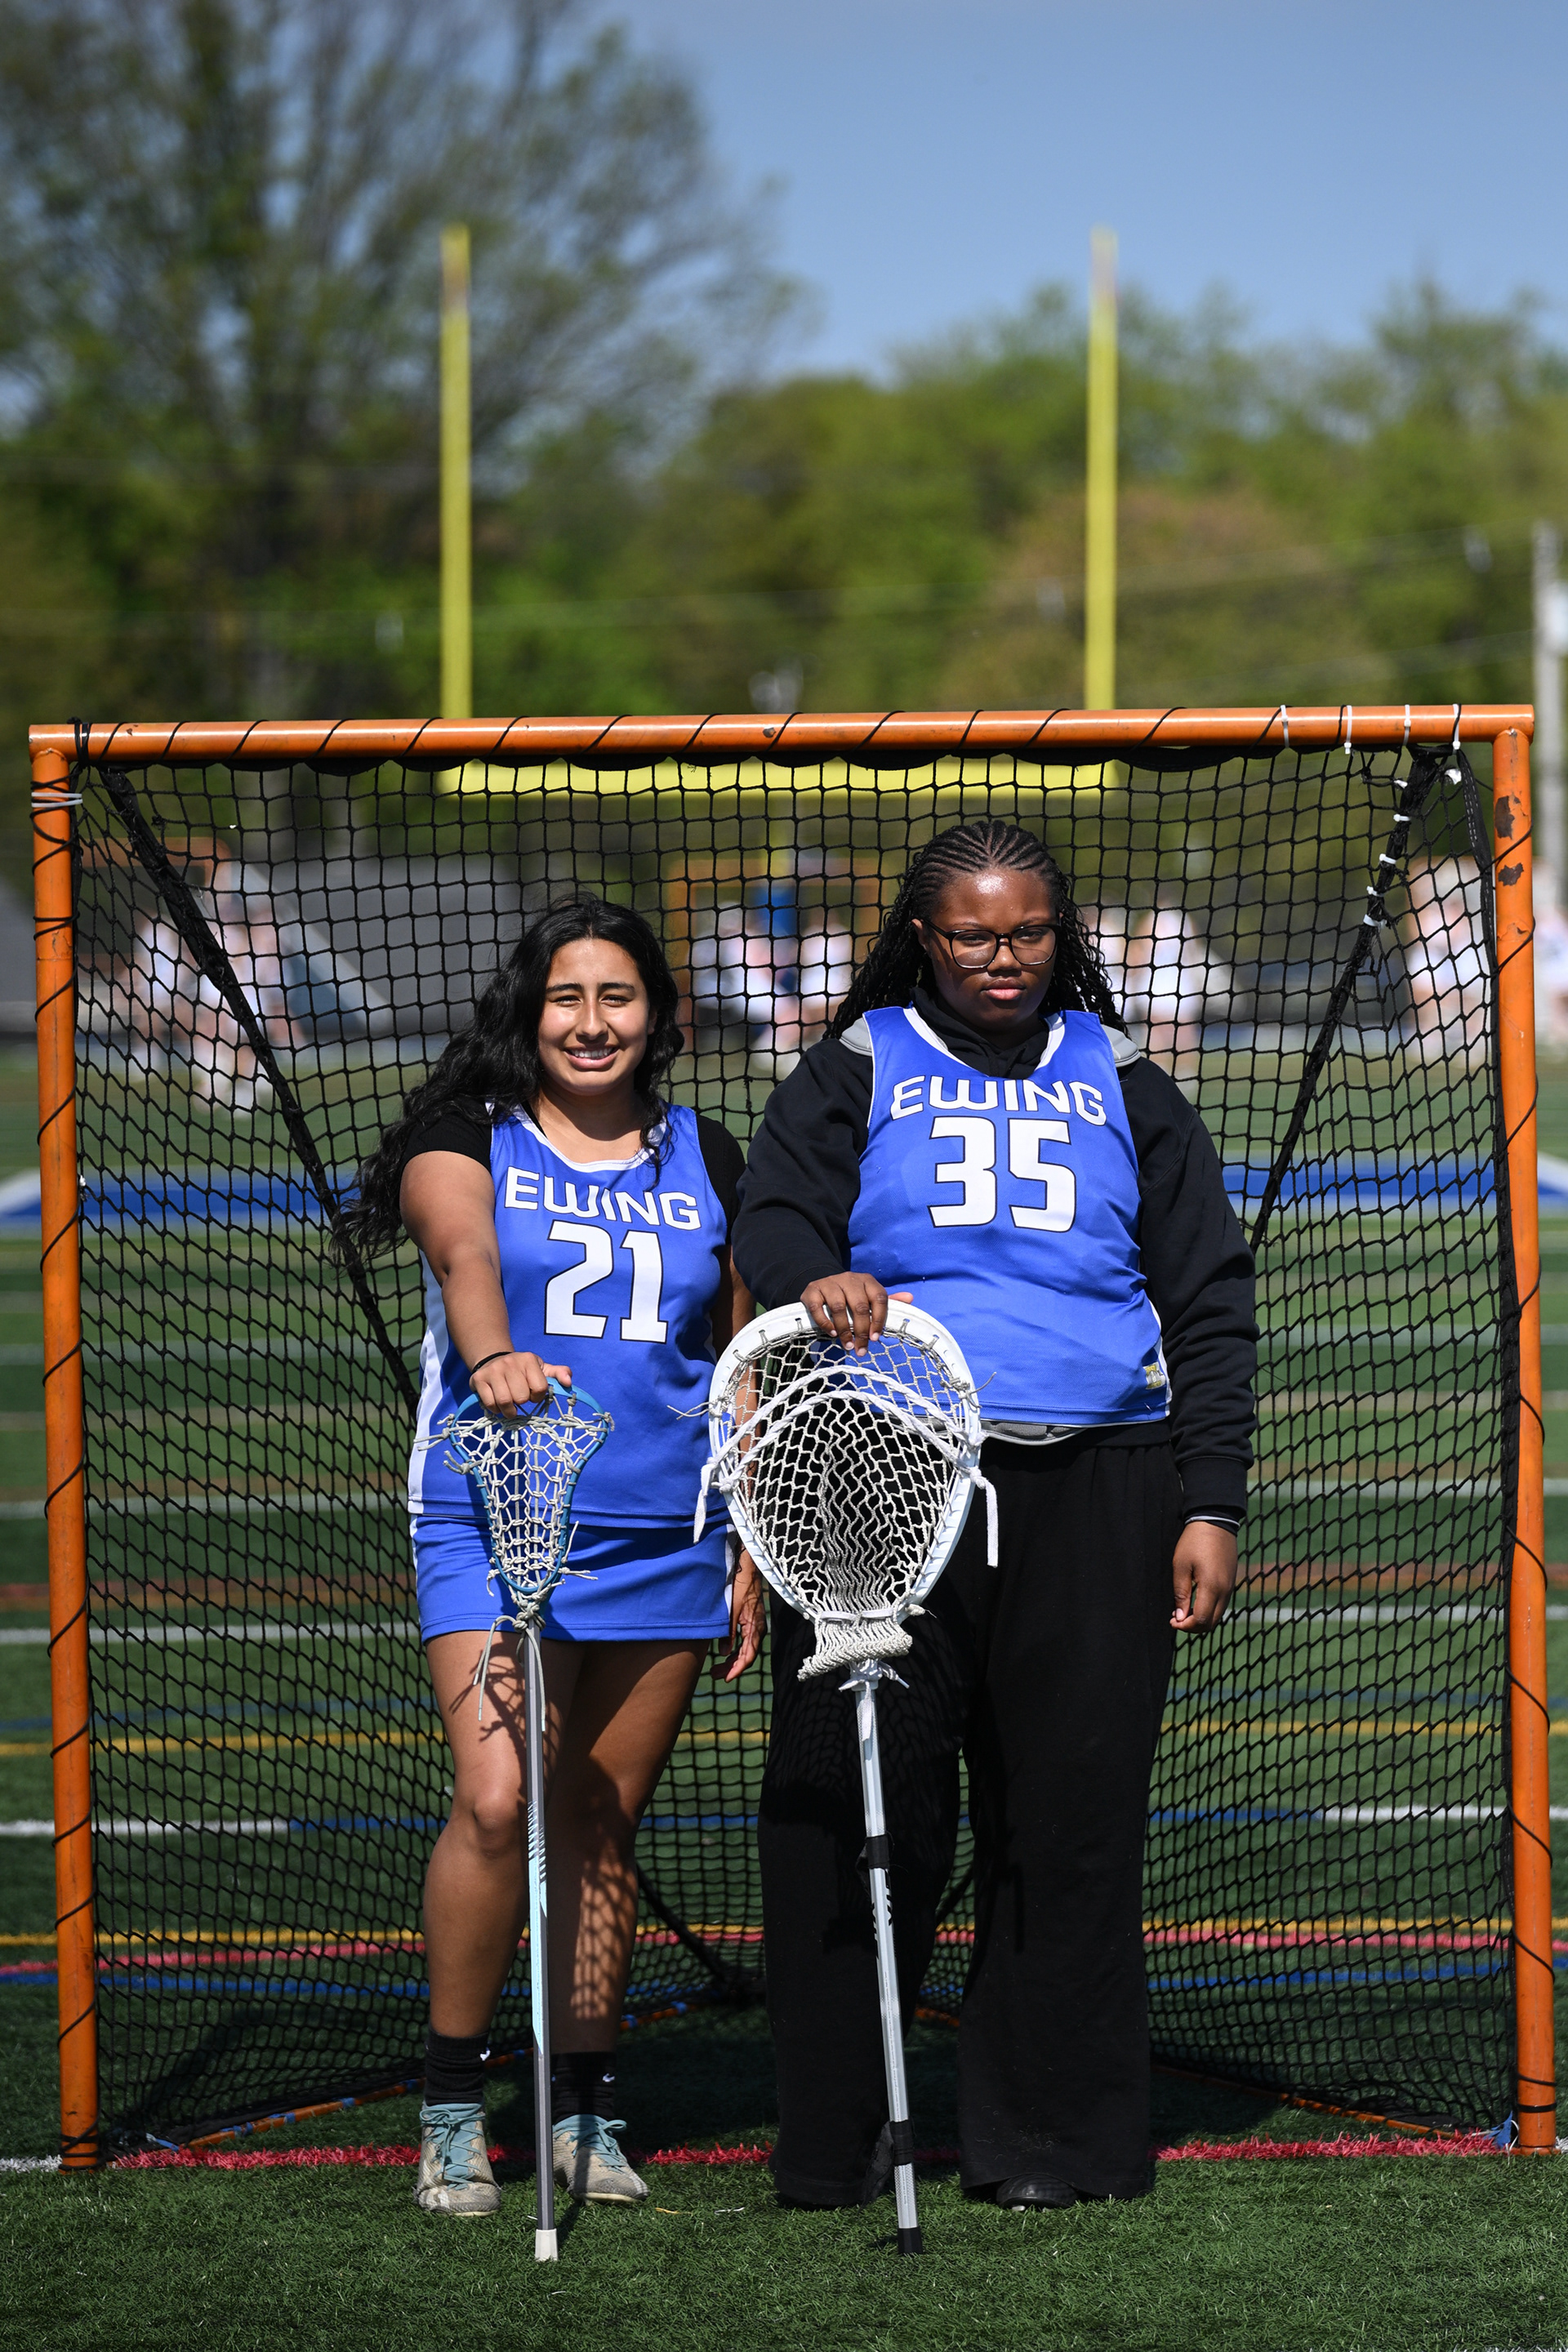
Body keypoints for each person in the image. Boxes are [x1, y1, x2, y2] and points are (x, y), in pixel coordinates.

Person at [730, 818, 1256, 2212]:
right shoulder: (860, 1063)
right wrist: (813, 1274)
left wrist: (1211, 1501)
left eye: (1026, 931)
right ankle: (842, 2137)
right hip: (886, 1472)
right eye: (972, 934)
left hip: (1101, 1481)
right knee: (857, 1805)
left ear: (1057, 933)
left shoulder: (1125, 1076)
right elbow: (771, 1216)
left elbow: (1208, 1296)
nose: (1002, 956)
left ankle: (1052, 2139)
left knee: (1071, 1814)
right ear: (925, 938)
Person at [344, 897, 764, 2221]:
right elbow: (466, 1256)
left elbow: (740, 1354)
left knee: (595, 1823)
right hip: (496, 1514)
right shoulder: (465, 1137)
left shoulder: (710, 1153)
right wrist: (493, 1360)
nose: (591, 1023)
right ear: (529, 1013)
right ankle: (452, 2111)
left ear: (660, 1017)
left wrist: (749, 1529)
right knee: (498, 1799)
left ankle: (584, 2108)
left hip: (666, 1530)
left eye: (617, 997)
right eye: (566, 997)